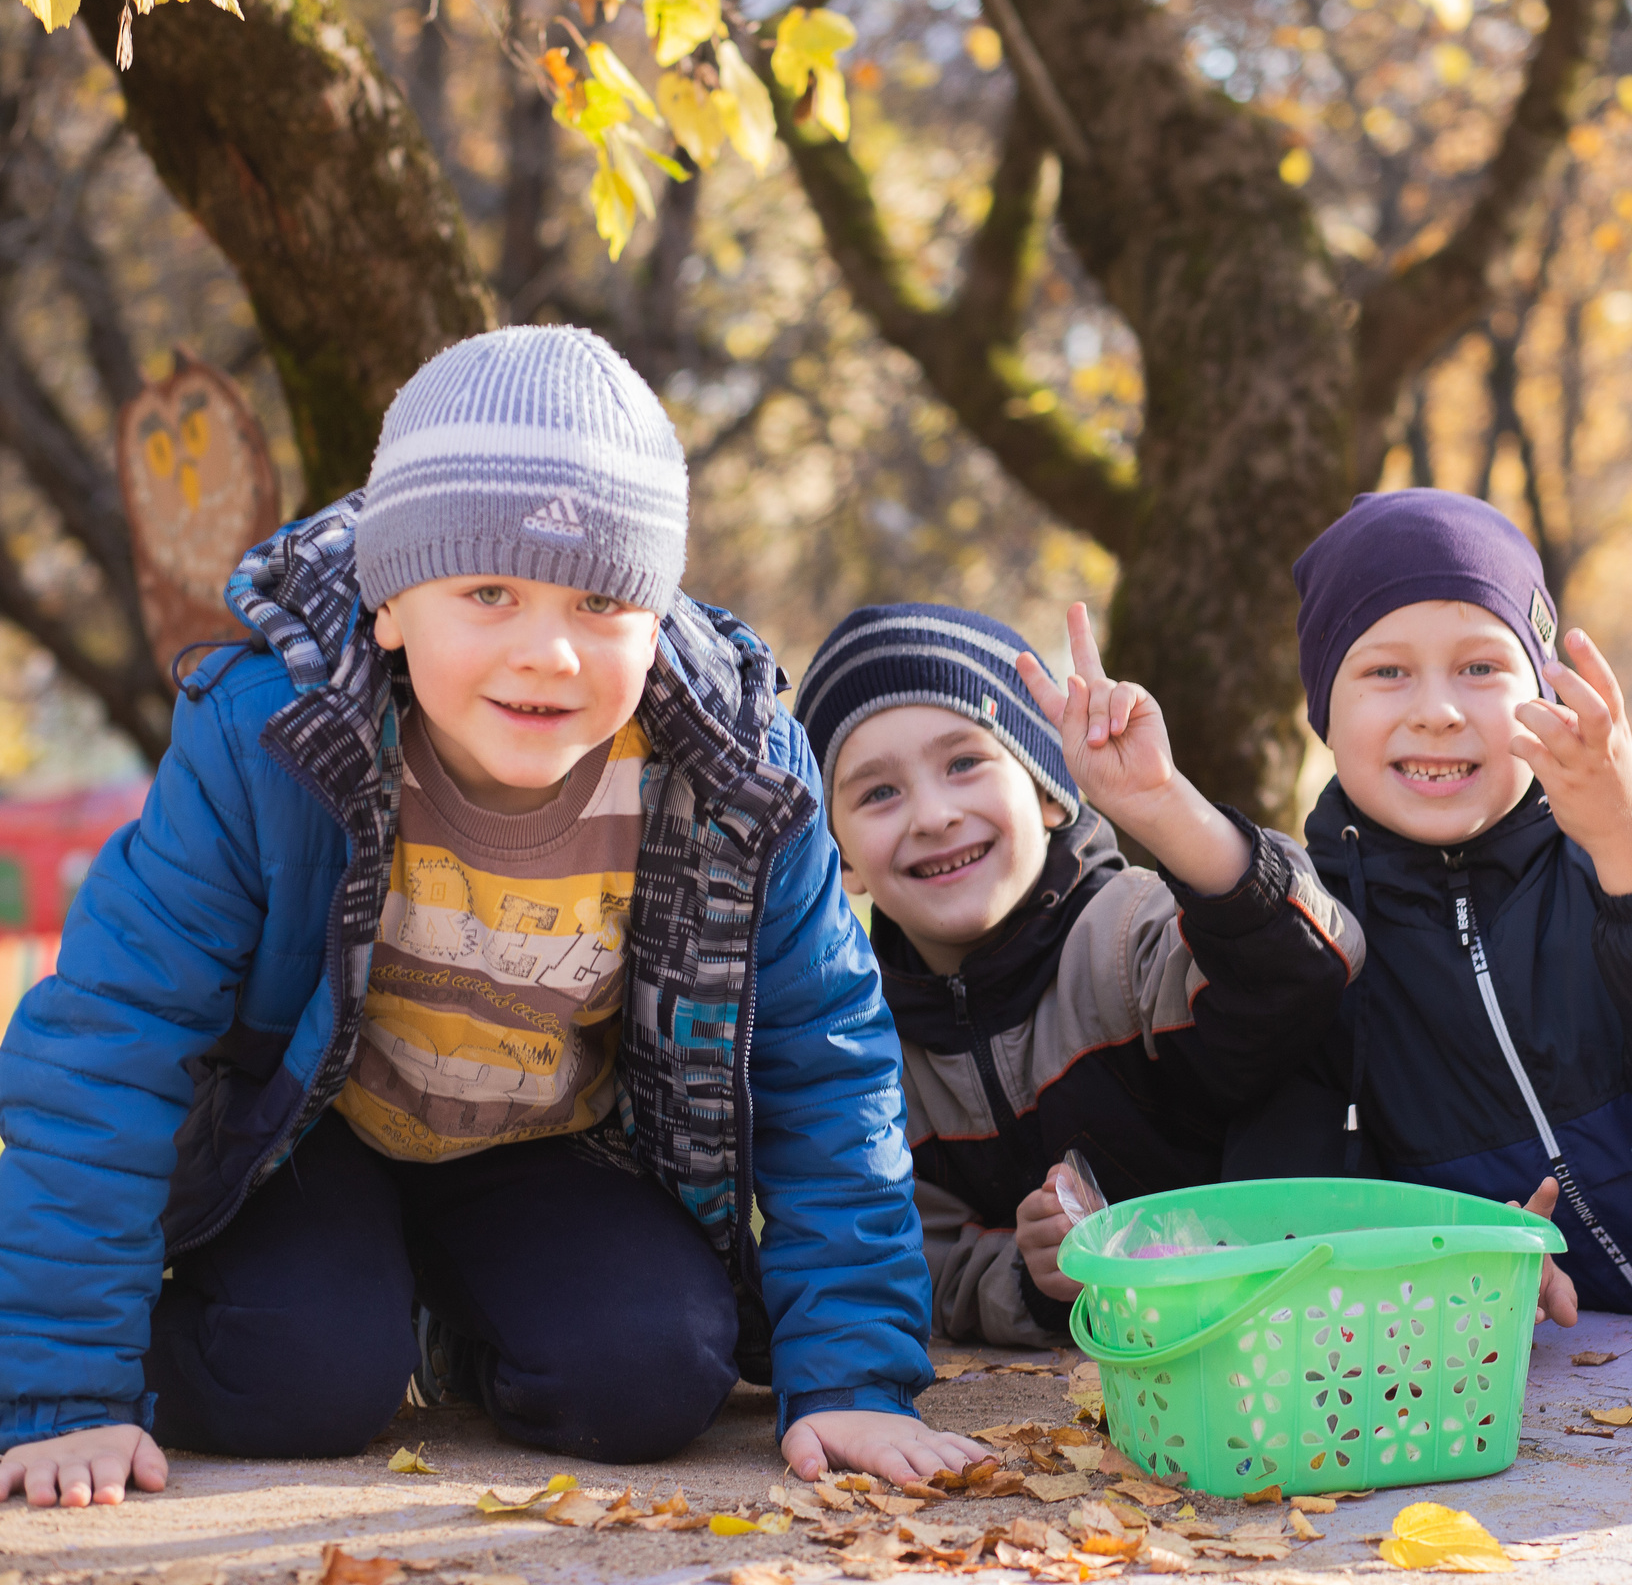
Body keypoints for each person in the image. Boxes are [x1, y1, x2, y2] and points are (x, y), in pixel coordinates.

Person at [0, 326, 981, 1510]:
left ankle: (465, 1326)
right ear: (391, 605)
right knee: (303, 1374)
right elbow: (112, 1036)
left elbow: (825, 1062)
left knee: (654, 1375)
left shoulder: (733, 774)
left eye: (604, 600)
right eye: (487, 591)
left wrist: (855, 1380)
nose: (549, 650)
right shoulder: (271, 736)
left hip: (545, 1142)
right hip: (302, 1141)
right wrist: (62, 1396)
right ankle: (246, 1327)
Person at [1233, 488, 1632, 1336]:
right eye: (1386, 670)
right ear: (1324, 709)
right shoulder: (1316, 930)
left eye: (1480, 667)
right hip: (1537, 1382)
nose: (1437, 707)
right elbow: (1307, 1201)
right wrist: (1446, 1265)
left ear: (1542, 688)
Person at [794, 601, 1362, 1345]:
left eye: (965, 763)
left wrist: (1165, 809)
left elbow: (1308, 965)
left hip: (1270, 1334)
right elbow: (919, 1258)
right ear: (840, 858)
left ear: (1047, 789)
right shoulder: (865, 1043)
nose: (932, 815)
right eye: (878, 793)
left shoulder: (1128, 938)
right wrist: (1030, 1271)